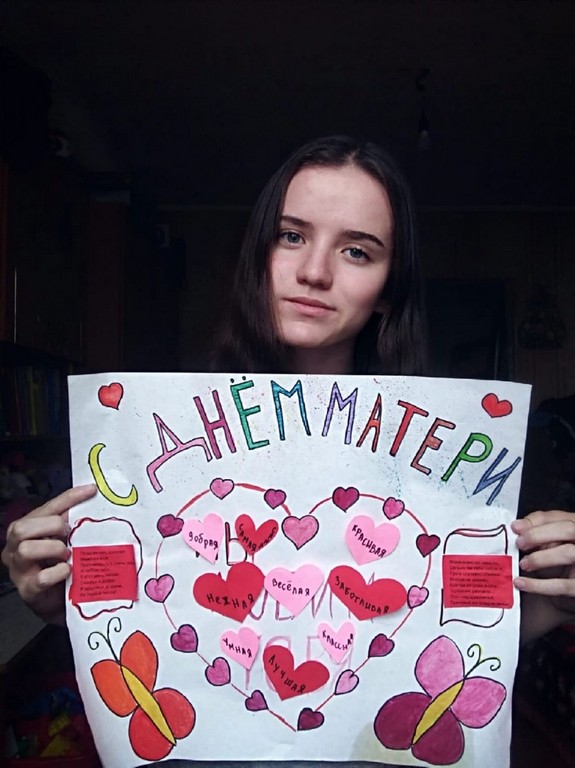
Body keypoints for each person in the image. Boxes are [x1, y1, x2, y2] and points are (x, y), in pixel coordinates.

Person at [3, 136, 575, 766]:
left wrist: (553, 598)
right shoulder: (155, 436)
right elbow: (146, 620)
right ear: (257, 256)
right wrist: (61, 600)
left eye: (357, 251)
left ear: (388, 289)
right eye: (292, 236)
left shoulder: (441, 457)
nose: (314, 272)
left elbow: (443, 637)